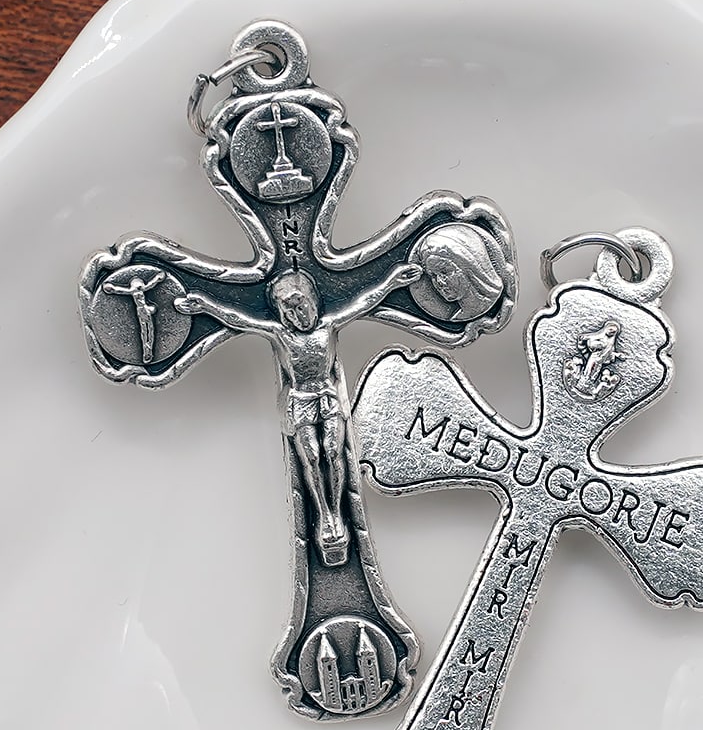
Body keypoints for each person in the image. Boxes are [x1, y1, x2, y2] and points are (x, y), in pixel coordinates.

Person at [177, 263, 421, 566]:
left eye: (301, 306)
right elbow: (239, 318)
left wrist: (393, 281)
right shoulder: (280, 334)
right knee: (312, 456)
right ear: (281, 314)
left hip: (328, 397)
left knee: (334, 451)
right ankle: (324, 515)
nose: (297, 316)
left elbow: (365, 301)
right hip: (300, 399)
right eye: (288, 311)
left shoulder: (328, 326)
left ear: (313, 301)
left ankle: (337, 513)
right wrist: (205, 305)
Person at [416, 222, 509, 321]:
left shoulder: (495, 302)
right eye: (433, 276)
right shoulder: (457, 317)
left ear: (470, 268)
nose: (439, 282)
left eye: (444, 272)